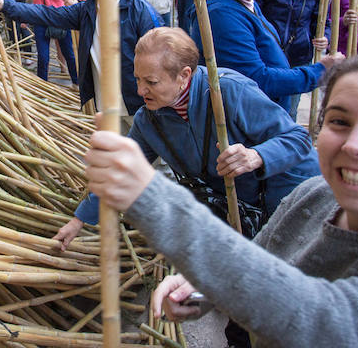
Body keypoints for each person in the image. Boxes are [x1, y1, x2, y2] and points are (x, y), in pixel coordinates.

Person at [86, 50, 358, 347]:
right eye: (339, 121)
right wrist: (205, 287)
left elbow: (322, 320)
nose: (355, 145)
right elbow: (263, 263)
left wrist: (153, 198)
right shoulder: (314, 195)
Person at [53, 27, 321, 249]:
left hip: (290, 200)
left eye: (151, 82)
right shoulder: (150, 120)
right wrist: (79, 221)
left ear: (184, 76)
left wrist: (257, 156)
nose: (140, 90)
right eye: (137, 79)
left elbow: (298, 138)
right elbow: (121, 172)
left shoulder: (226, 92)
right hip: (239, 211)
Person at [0, 0, 161, 118]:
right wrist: (5, 5)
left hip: (137, 109)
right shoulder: (88, 10)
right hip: (104, 108)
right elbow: (48, 13)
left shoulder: (141, 13)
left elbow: (161, 63)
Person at [186, 0, 343, 112]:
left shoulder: (242, 0)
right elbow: (257, 79)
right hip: (249, 126)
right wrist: (320, 71)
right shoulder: (221, 14)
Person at [254, 0, 330, 119]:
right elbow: (254, 18)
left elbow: (322, 22)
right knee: (263, 108)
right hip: (269, 58)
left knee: (289, 111)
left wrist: (324, 37)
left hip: (298, 58)